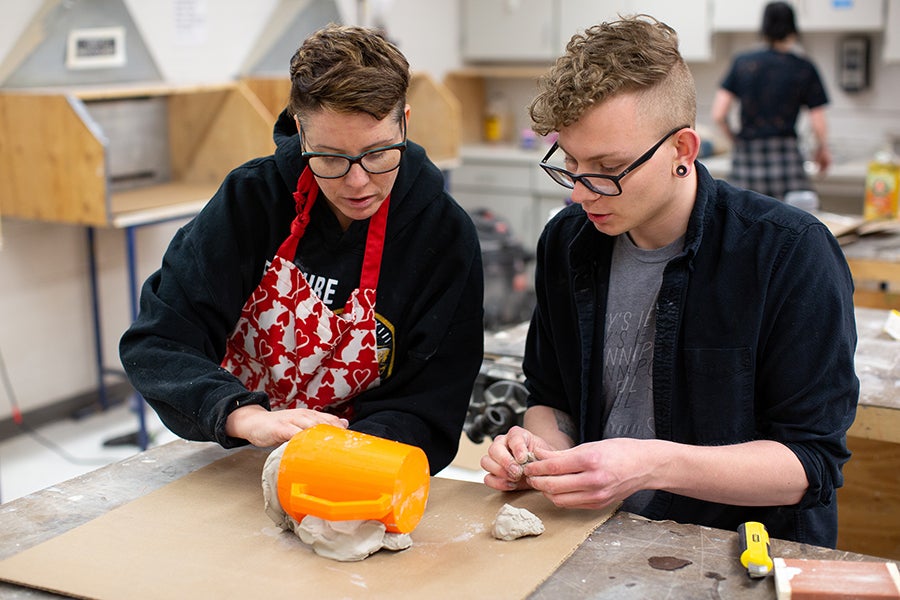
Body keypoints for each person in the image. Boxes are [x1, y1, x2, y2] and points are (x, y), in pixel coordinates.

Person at [480, 15, 858, 548]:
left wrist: (653, 464)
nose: (581, 193)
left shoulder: (789, 252)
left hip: (737, 551)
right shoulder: (567, 242)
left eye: (608, 168)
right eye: (570, 165)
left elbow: (809, 462)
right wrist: (539, 454)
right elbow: (550, 397)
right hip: (593, 537)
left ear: (683, 150)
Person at [119, 25, 484, 474]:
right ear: (299, 130)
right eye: (330, 157)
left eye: (377, 153)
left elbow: (431, 402)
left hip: (361, 467)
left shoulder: (443, 237)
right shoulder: (250, 201)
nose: (357, 182)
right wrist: (243, 416)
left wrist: (338, 454)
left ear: (405, 121)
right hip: (233, 453)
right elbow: (158, 341)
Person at [711, 1, 832, 201]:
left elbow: (719, 114)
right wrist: (822, 149)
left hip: (747, 156)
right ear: (793, 30)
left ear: (764, 29)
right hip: (786, 156)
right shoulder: (803, 67)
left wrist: (736, 141)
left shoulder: (743, 63)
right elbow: (818, 121)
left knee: (742, 220)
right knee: (793, 223)